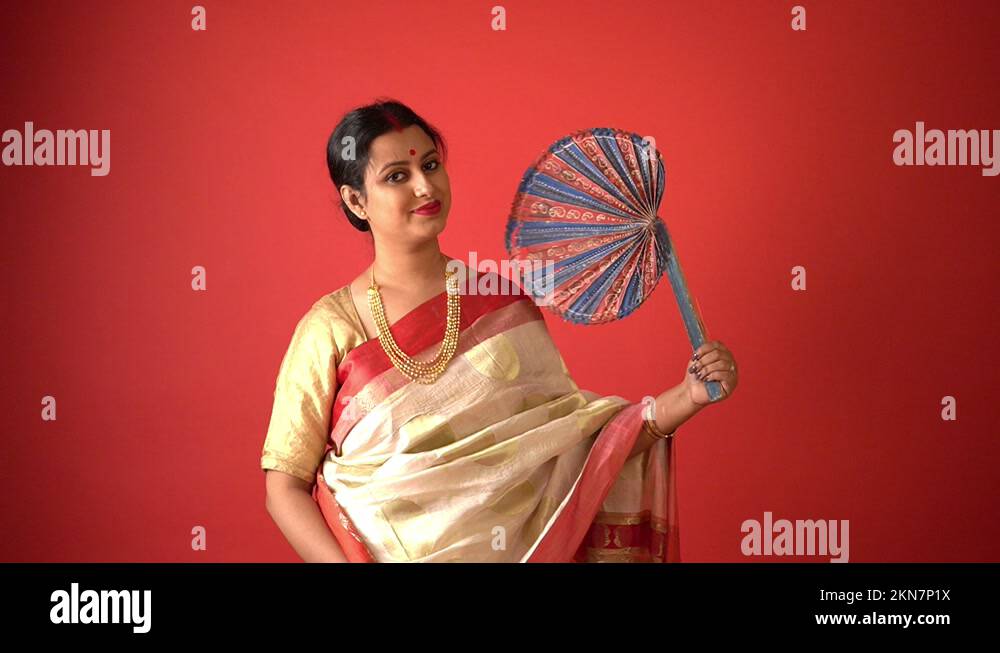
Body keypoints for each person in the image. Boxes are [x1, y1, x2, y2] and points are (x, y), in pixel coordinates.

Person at [261, 98, 739, 562]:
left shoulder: (499, 303)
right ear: (355, 200)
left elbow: (575, 450)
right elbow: (284, 486)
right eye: (397, 177)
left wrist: (688, 396)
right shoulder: (329, 328)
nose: (426, 188)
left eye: (431, 165)